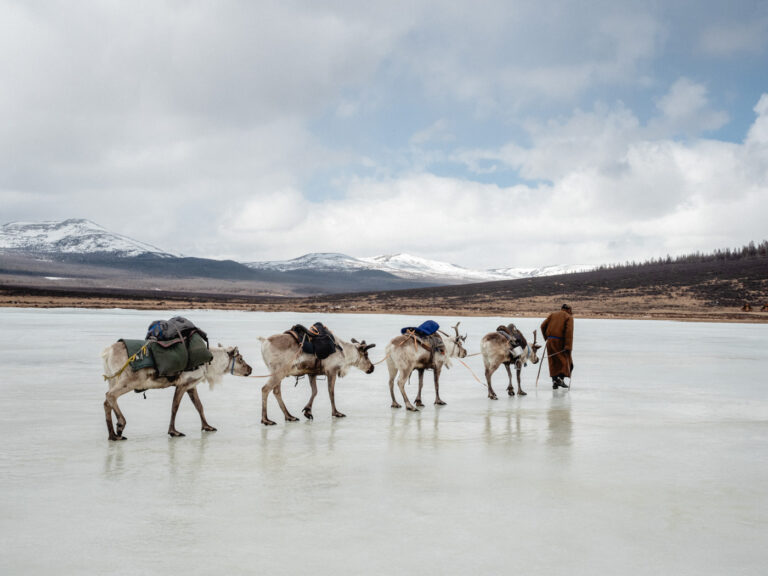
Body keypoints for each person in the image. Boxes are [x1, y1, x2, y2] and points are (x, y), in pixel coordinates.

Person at [540, 303, 574, 389]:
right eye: (571, 310)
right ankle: (560, 379)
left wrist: (547, 338)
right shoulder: (568, 317)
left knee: (553, 361)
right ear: (568, 310)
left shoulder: (552, 315)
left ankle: (554, 381)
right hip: (560, 342)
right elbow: (569, 332)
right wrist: (568, 346)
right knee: (566, 362)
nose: (571, 312)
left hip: (550, 341)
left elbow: (542, 326)